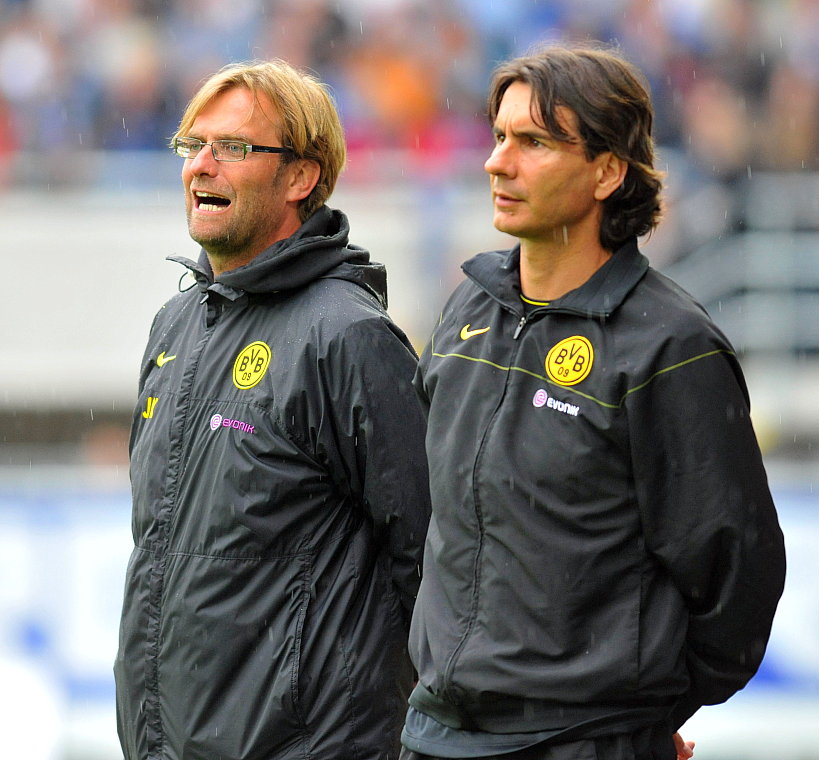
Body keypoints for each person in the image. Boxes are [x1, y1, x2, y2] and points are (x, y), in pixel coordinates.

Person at [401, 45, 786, 760]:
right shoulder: (464, 314)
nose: (497, 162)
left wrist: (636, 715)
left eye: (534, 142)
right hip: (435, 736)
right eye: (498, 136)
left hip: (584, 744)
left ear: (607, 171)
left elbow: (737, 576)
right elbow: (430, 526)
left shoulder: (670, 347)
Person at [114, 59, 431, 760]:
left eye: (232, 148)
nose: (201, 167)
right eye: (192, 145)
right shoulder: (175, 326)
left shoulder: (349, 338)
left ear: (301, 176)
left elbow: (435, 559)